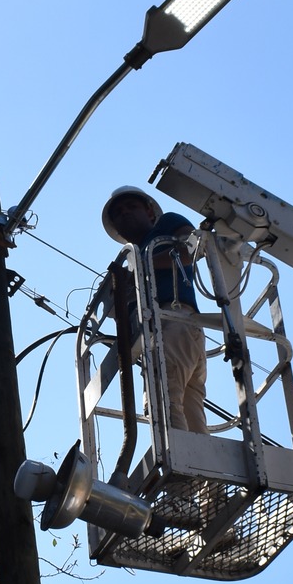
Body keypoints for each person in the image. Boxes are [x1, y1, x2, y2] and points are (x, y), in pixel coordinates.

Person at [101, 184, 208, 434]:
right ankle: (204, 472)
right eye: (118, 212)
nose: (125, 213)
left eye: (132, 206)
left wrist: (140, 269)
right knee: (189, 411)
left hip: (174, 319)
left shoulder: (167, 224)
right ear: (116, 227)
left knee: (162, 400)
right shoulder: (130, 260)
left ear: (150, 212)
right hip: (159, 330)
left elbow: (191, 249)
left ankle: (183, 467)